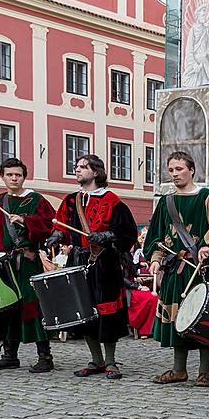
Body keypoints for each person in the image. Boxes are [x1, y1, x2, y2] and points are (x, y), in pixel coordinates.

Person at [144, 151, 209, 387]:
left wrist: (208, 245)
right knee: (178, 319)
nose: (175, 174)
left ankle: (204, 372)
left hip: (199, 269)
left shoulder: (207, 196)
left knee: (203, 317)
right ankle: (179, 370)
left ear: (192, 170)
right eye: (172, 170)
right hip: (175, 270)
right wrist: (156, 259)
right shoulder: (166, 202)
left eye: (180, 169)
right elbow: (156, 236)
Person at [46, 154, 138, 380]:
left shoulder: (112, 200)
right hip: (78, 261)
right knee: (85, 310)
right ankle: (95, 359)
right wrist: (57, 235)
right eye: (76, 166)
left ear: (96, 172)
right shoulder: (70, 201)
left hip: (104, 263)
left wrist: (106, 235)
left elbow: (127, 232)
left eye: (83, 167)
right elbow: (64, 225)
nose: (77, 170)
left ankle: (110, 360)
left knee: (106, 310)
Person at [0, 158, 56, 373]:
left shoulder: (36, 200)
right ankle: (9, 356)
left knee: (33, 306)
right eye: (10, 175)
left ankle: (45, 356)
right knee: (8, 306)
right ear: (2, 176)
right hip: (5, 263)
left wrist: (25, 221)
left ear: (24, 176)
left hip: (28, 261)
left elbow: (50, 225)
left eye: (18, 175)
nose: (14, 178)